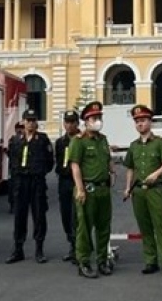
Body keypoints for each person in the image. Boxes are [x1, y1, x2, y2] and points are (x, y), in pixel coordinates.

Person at [122, 104, 162, 278]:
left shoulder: (160, 143)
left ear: (150, 122)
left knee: (160, 226)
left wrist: (156, 174)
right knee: (144, 227)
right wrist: (127, 188)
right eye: (137, 121)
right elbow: (130, 167)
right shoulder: (134, 146)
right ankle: (150, 260)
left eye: (143, 120)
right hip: (138, 191)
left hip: (155, 190)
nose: (140, 124)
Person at [69, 100, 114, 278]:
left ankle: (102, 261)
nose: (98, 121)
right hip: (87, 189)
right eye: (94, 118)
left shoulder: (103, 140)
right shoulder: (78, 141)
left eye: (99, 117)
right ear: (86, 122)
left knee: (104, 227)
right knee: (85, 229)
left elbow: (108, 158)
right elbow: (75, 166)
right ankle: (84, 262)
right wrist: (80, 189)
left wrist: (112, 170)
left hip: (104, 189)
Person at [6, 109, 54, 264]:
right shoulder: (16, 140)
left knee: (39, 215)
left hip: (37, 181)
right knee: (19, 215)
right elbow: (12, 160)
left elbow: (49, 162)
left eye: (33, 120)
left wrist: (38, 172)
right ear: (23, 122)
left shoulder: (43, 140)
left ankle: (39, 249)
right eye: (28, 120)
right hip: (21, 181)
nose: (31, 123)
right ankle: (17, 249)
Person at [54, 109, 81, 265]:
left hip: (77, 181)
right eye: (67, 122)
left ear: (77, 123)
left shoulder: (82, 139)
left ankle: (80, 247)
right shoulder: (60, 142)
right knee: (65, 214)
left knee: (77, 215)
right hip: (64, 181)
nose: (69, 125)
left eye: (72, 122)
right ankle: (71, 244)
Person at [7, 121, 24, 214]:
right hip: (14, 168)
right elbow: (9, 153)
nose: (20, 129)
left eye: (21, 127)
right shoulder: (12, 140)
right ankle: (12, 205)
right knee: (12, 188)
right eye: (18, 127)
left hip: (24, 169)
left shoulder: (27, 140)